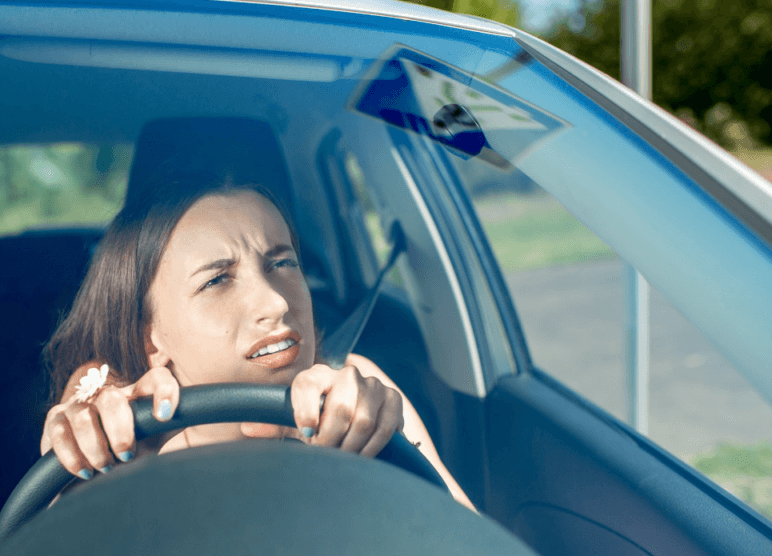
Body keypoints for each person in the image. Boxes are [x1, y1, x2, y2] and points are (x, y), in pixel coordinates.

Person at [39, 174, 475, 511]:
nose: (275, 301)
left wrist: (376, 450)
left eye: (282, 262)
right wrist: (89, 481)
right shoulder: (116, 445)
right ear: (150, 339)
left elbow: (473, 550)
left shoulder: (357, 385)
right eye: (216, 280)